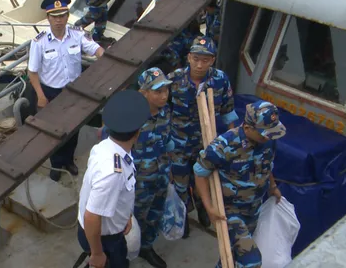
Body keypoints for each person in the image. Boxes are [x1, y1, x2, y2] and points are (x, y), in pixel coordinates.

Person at [193, 101, 285, 268]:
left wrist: (273, 186)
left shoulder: (269, 140)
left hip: (254, 207)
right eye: (264, 134)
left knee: (232, 254)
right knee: (251, 261)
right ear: (248, 128)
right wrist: (209, 207)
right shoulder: (225, 145)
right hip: (230, 211)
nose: (268, 137)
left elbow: (267, 165)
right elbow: (199, 173)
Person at [27, 0, 105, 181]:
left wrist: (107, 58)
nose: (59, 20)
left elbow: (96, 49)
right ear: (48, 18)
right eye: (54, 16)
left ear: (67, 16)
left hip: (74, 91)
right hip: (51, 93)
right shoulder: (39, 42)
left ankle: (68, 160)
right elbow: (33, 72)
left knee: (73, 128)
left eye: (62, 15)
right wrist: (40, 96)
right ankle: (56, 164)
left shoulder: (77, 35)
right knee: (53, 132)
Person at [167, 36, 239, 237]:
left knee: (204, 179)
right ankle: (184, 217)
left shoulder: (220, 80)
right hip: (178, 144)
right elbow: (163, 110)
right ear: (188, 57)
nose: (200, 65)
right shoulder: (175, 79)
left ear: (212, 60)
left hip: (205, 143)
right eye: (196, 59)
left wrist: (232, 142)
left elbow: (228, 111)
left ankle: (203, 209)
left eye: (205, 60)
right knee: (180, 184)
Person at [77, 89, 151, 268]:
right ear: (138, 132)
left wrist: (124, 215)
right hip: (104, 240)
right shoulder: (112, 172)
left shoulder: (107, 147)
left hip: (108, 230)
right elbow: (91, 216)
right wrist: (97, 254)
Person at [131, 68, 173, 268]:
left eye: (166, 90)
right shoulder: (131, 117)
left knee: (155, 213)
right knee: (133, 219)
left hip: (161, 175)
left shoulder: (166, 113)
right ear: (144, 92)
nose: (164, 96)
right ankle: (127, 252)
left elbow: (167, 141)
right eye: (158, 91)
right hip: (138, 181)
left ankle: (146, 246)